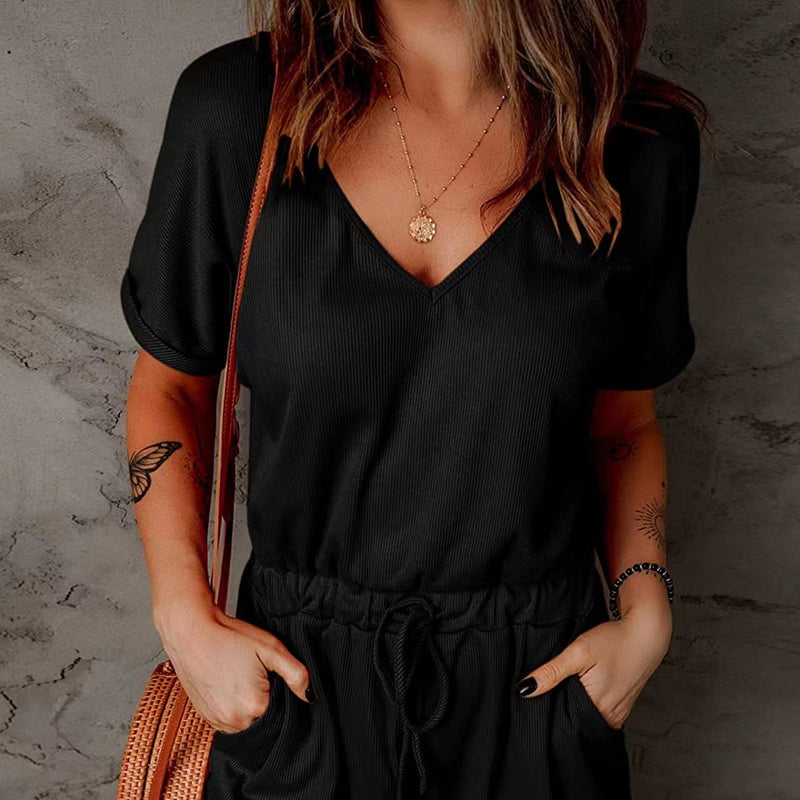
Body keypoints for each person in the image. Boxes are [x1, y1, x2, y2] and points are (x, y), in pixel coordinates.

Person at [119, 2, 706, 798]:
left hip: (538, 691)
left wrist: (646, 610)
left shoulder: (634, 138)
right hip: (295, 685)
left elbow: (622, 424)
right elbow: (170, 389)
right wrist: (183, 616)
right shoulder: (239, 106)